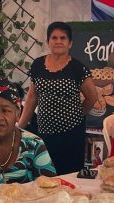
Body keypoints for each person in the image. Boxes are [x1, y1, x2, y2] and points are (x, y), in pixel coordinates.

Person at [18, 21, 99, 175]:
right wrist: (20, 126)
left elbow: (92, 97)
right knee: (45, 174)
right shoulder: (37, 65)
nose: (58, 41)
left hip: (71, 133)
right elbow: (32, 97)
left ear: (70, 43)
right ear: (48, 41)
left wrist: (78, 115)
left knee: (69, 176)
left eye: (63, 38)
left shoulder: (78, 68)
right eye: (54, 38)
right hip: (44, 131)